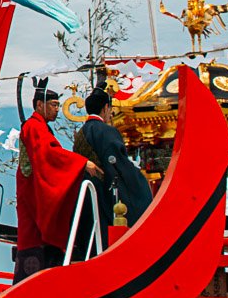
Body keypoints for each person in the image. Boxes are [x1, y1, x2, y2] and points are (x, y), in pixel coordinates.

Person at [13, 82, 87, 282]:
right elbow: (49, 155)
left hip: (35, 192)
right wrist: (82, 163)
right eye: (53, 104)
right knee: (35, 241)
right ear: (39, 105)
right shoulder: (33, 127)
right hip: (33, 195)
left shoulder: (40, 127)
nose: (57, 109)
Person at [70, 86, 153, 252]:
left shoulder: (81, 133)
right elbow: (118, 164)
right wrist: (140, 182)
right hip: (102, 191)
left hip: (84, 191)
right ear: (105, 108)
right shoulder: (106, 131)